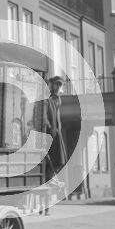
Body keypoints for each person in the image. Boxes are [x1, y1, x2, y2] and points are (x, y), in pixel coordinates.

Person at [42, 76, 68, 215]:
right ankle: (46, 206)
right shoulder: (47, 100)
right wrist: (49, 127)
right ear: (51, 85)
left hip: (56, 135)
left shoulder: (57, 100)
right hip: (50, 136)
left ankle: (52, 178)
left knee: (59, 162)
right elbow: (43, 116)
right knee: (49, 168)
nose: (58, 87)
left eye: (60, 85)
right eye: (56, 84)